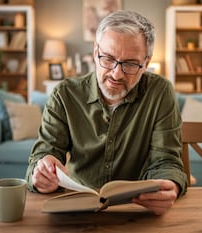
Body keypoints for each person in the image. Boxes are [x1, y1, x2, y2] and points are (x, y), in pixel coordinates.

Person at [25, 10, 187, 215]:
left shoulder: (160, 92)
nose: (116, 74)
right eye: (108, 58)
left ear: (146, 62)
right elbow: (42, 156)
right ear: (95, 52)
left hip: (137, 209)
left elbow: (166, 160)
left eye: (129, 63)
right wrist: (41, 176)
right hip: (76, 206)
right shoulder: (64, 94)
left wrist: (171, 184)